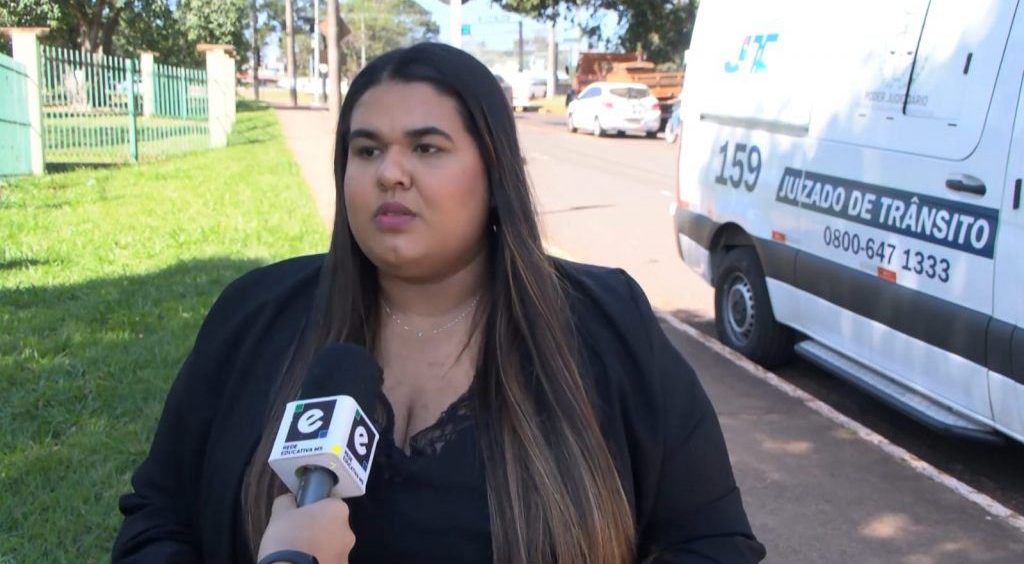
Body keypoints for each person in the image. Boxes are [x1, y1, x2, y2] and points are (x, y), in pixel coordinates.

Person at [111, 42, 766, 564]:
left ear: (495, 173)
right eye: (366, 149)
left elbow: (712, 540)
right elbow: (157, 516)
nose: (390, 172)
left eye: (426, 147)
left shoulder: (607, 324)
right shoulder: (253, 315)